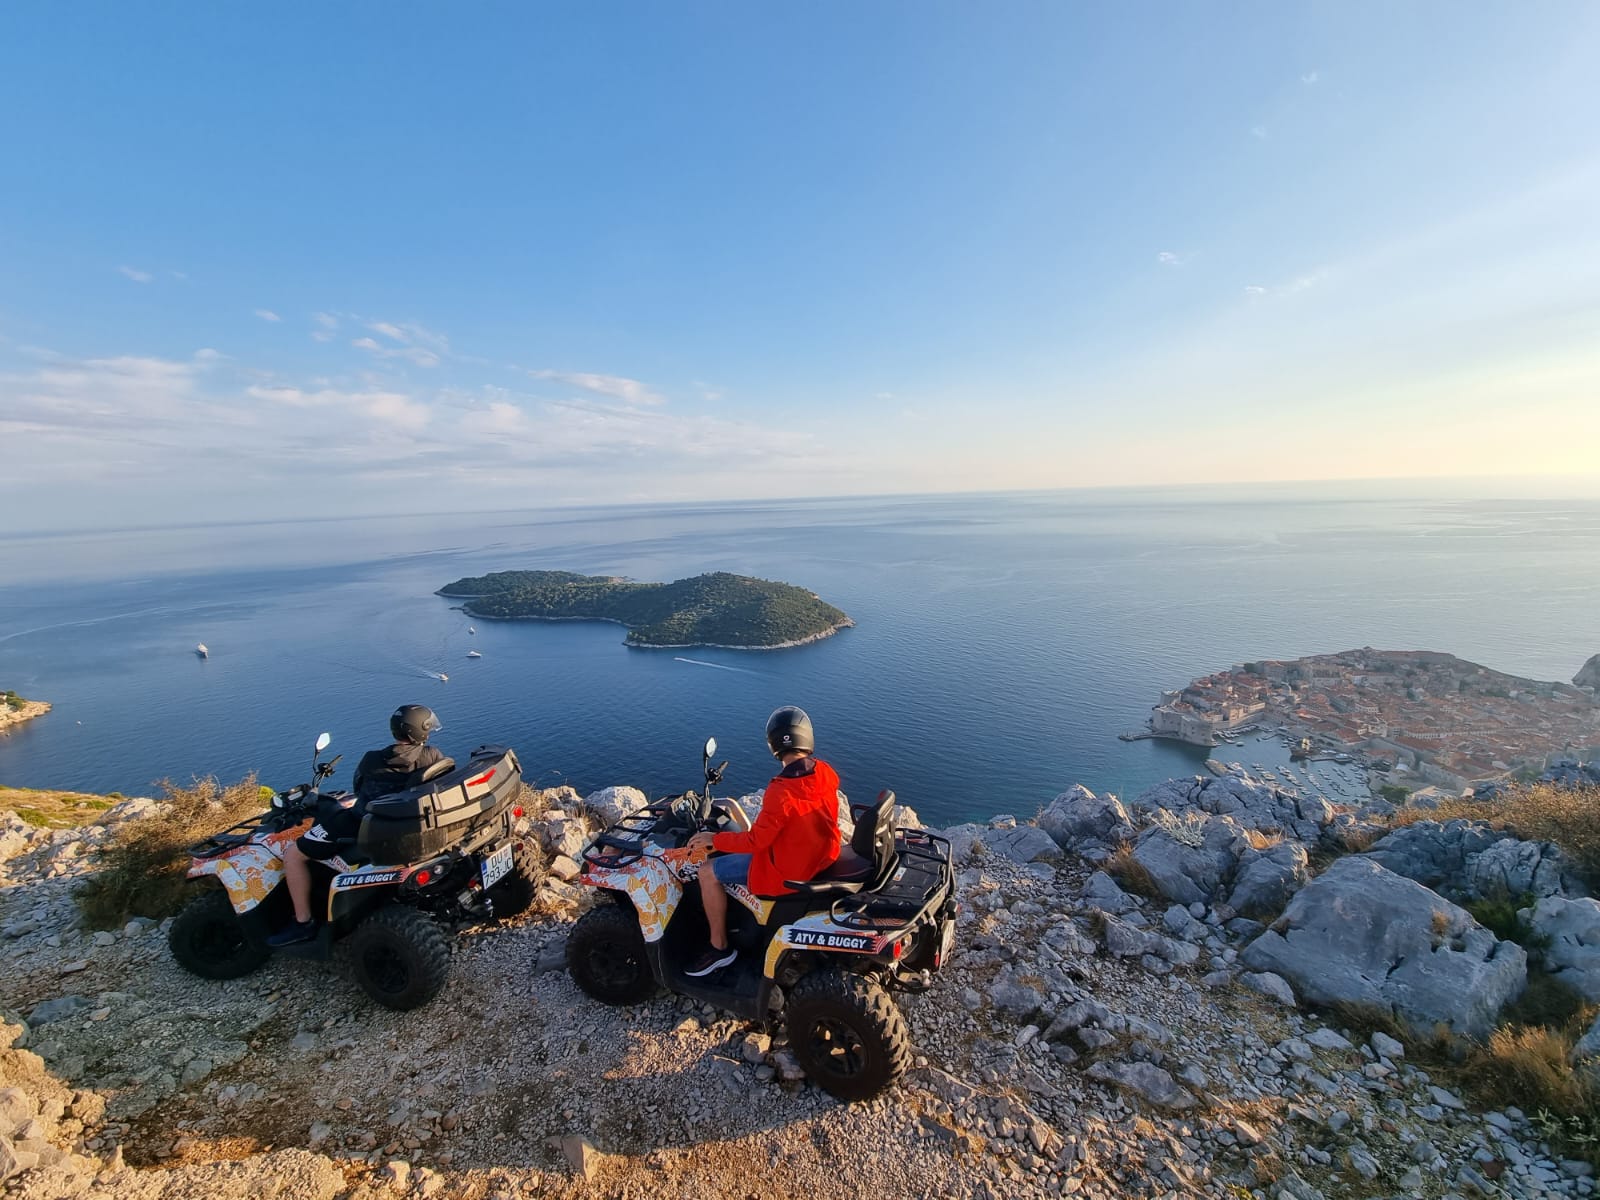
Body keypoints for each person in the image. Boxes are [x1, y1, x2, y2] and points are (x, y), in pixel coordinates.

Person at [266, 704, 444, 947]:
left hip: (365, 823)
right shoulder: (432, 756)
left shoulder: (372, 759)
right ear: (419, 733)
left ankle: (303, 922)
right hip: (412, 823)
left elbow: (359, 789)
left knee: (293, 854)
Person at [683, 705, 841, 977]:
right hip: (819, 855)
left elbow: (756, 842)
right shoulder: (825, 772)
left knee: (707, 872)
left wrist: (714, 840)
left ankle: (719, 947)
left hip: (787, 870)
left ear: (775, 744)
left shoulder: (781, 791)